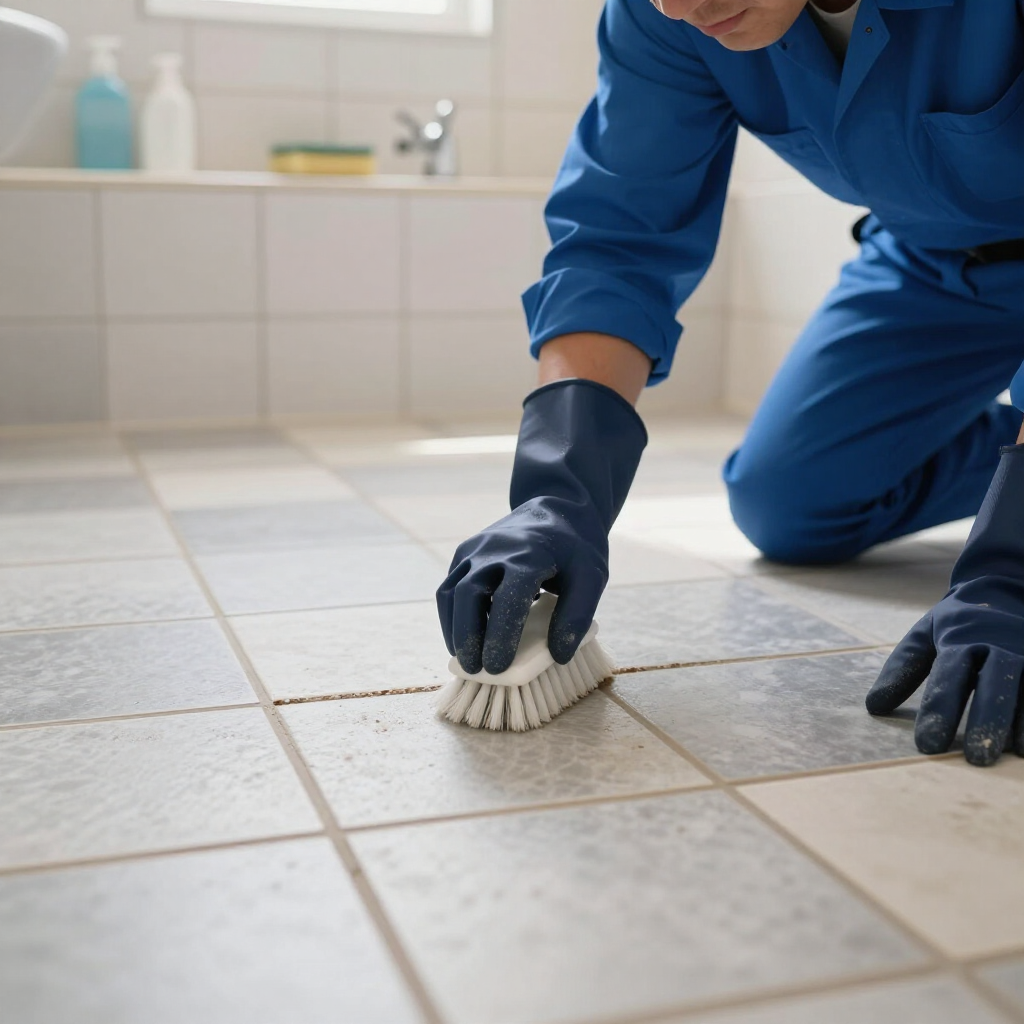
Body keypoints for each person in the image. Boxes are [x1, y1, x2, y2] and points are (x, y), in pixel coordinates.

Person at [437, 0, 1024, 765]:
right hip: (929, 262)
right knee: (788, 503)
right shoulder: (666, 16)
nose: (679, 3)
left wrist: (1013, 561)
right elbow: (619, 240)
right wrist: (559, 487)